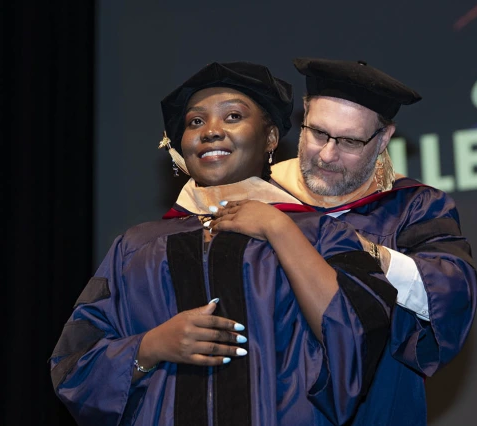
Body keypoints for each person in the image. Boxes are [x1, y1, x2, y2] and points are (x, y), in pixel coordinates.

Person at [49, 61, 398, 426]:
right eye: (195, 122)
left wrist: (279, 229)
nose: (211, 131)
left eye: (232, 116)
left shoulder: (321, 233)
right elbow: (73, 367)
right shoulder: (134, 248)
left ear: (271, 138)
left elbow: (359, 337)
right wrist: (151, 347)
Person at [246, 57, 476, 425]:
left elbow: (449, 294)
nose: (327, 154)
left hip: (374, 410)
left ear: (384, 138)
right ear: (303, 115)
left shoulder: (414, 207)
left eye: (350, 140)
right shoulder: (258, 199)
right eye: (318, 133)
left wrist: (362, 249)